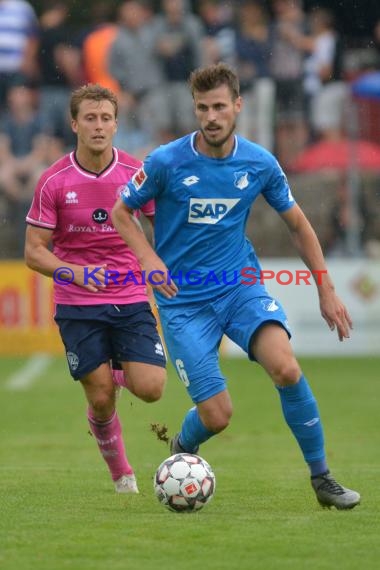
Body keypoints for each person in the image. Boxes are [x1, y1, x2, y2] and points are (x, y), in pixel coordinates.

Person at [111, 63, 360, 510]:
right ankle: (184, 443)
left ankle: (322, 478)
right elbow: (121, 212)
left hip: (239, 289)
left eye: (220, 106)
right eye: (203, 107)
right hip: (182, 303)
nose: (211, 116)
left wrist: (326, 289)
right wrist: (148, 259)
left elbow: (299, 225)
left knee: (285, 367)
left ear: (237, 106)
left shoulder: (260, 163)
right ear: (195, 110)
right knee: (218, 415)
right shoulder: (166, 161)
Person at [24, 84, 167, 494]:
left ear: (117, 124)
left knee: (152, 389)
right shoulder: (54, 180)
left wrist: (162, 266)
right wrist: (76, 273)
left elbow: (164, 229)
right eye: (90, 118)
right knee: (101, 397)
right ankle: (122, 474)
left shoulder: (136, 174)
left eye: (106, 118)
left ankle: (115, 368)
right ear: (74, 124)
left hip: (129, 297)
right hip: (77, 303)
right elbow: (35, 253)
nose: (99, 126)